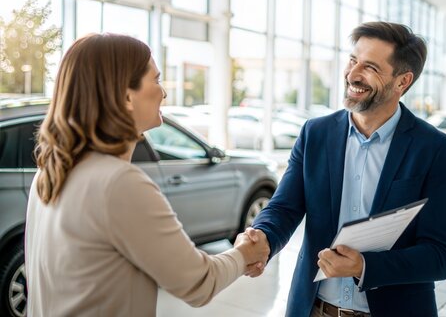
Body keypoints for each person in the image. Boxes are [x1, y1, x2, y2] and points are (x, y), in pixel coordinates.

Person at [24, 33, 269, 317]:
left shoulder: (49, 174)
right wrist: (245, 254)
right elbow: (198, 282)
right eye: (156, 80)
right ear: (127, 96)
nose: (163, 93)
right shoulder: (119, 184)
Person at [247, 22, 446, 316]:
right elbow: (284, 208)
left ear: (403, 81)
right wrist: (262, 237)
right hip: (313, 308)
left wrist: (364, 266)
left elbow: (440, 256)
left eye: (370, 67)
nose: (352, 74)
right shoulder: (315, 134)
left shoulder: (434, 149)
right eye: (352, 61)